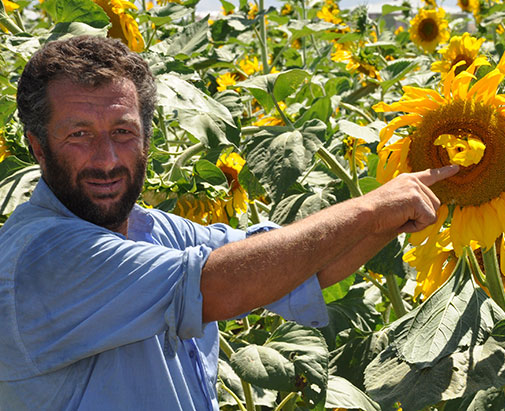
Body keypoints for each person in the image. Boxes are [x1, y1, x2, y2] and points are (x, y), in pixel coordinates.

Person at [0, 35, 458, 410]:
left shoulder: (154, 232)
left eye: (123, 132)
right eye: (79, 135)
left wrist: (402, 208)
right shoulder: (42, 256)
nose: (108, 159)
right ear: (39, 148)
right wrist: (370, 209)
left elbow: (296, 269)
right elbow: (216, 285)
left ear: (146, 139)